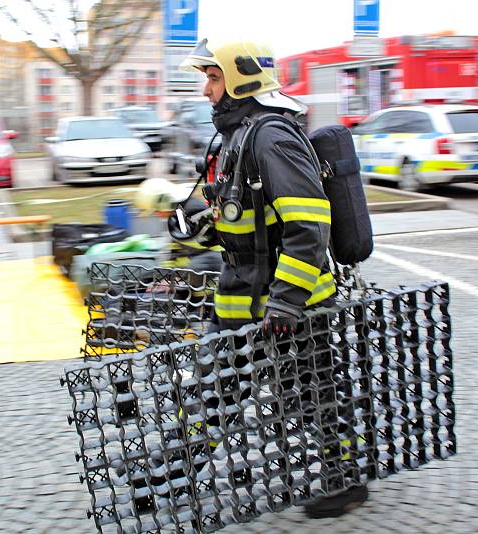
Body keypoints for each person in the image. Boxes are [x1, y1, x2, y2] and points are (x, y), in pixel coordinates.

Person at [176, 38, 369, 519]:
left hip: (290, 309)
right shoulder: (237, 135)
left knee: (316, 400)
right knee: (213, 390)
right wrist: (202, 225)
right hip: (244, 303)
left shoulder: (271, 137)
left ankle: (344, 481)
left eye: (214, 78)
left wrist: (286, 302)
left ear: (240, 79)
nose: (206, 90)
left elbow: (308, 225)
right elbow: (247, 222)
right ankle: (173, 472)